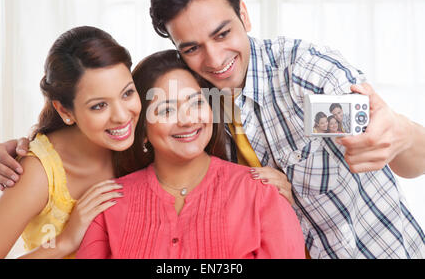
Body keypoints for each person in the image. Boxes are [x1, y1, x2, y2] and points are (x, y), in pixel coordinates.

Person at [0, 0, 425, 258]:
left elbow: (404, 155)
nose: (214, 59)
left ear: (245, 15)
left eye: (223, 33)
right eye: (192, 47)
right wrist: (30, 148)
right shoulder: (208, 108)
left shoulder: (303, 79)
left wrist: (402, 134)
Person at [76, 50, 305, 259]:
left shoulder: (260, 193)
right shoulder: (109, 204)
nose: (186, 120)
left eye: (196, 103)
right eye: (166, 110)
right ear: (142, 129)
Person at [0, 26, 141, 258]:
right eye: (99, 106)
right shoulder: (40, 173)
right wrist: (64, 242)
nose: (122, 116)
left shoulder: (144, 143)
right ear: (65, 110)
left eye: (127, 93)